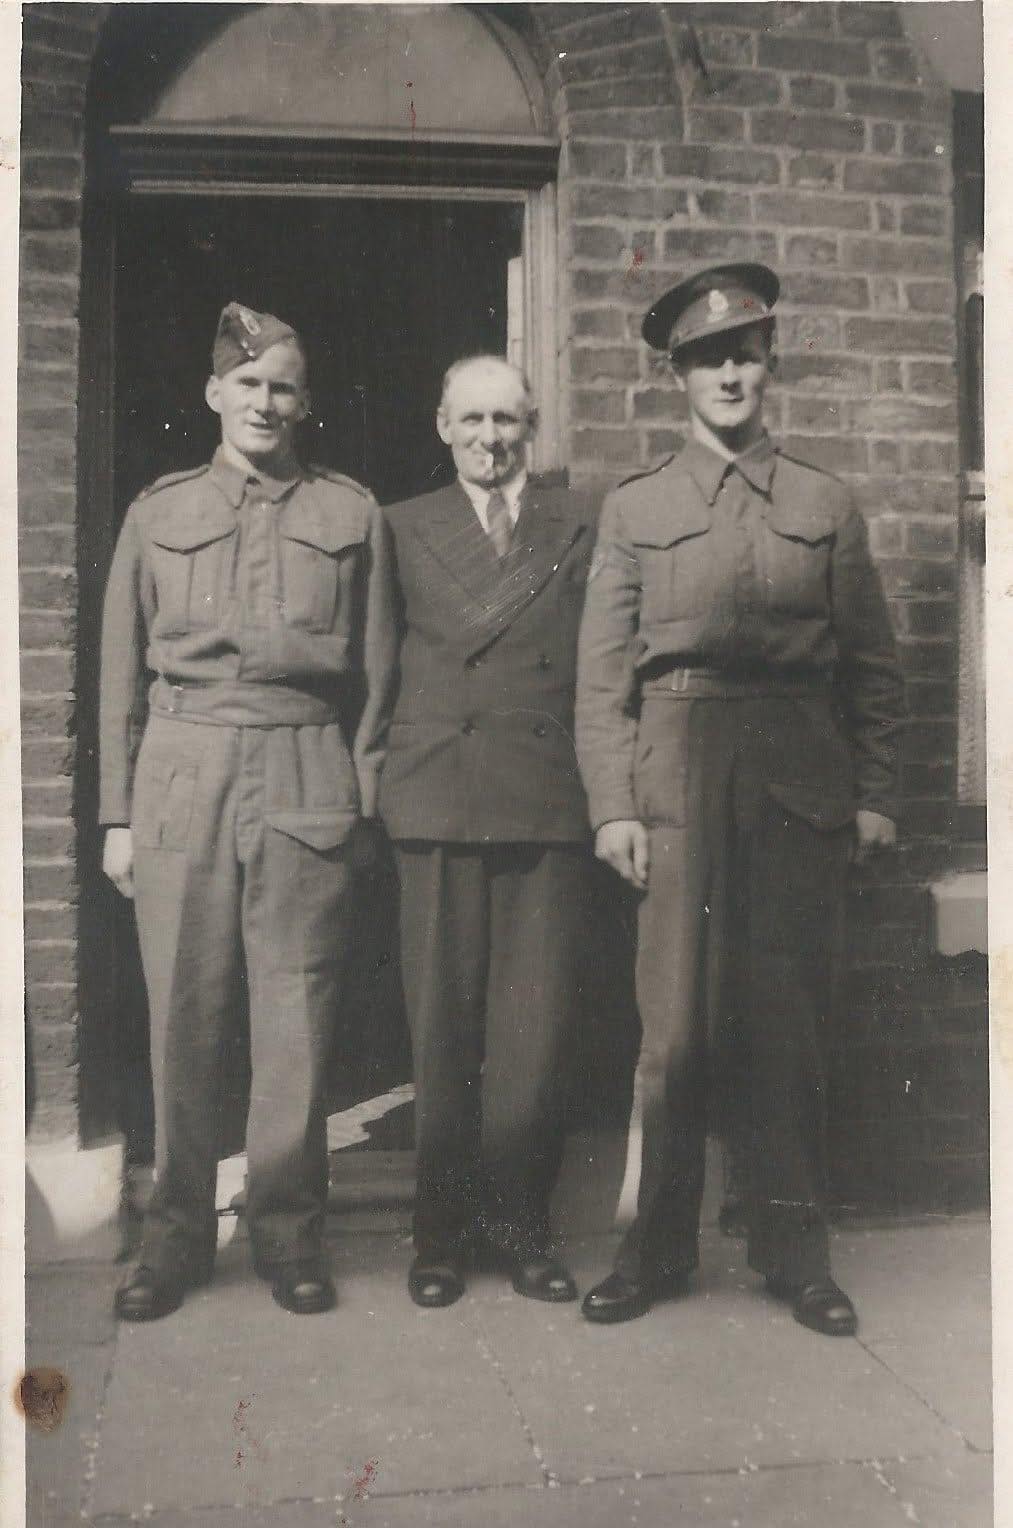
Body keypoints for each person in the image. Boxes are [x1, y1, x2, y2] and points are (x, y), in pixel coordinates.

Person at [575, 264, 905, 1336]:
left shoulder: (822, 502)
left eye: (744, 352)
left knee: (786, 1028)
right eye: (706, 357)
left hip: (797, 783)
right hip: (675, 775)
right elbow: (602, 677)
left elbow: (871, 668)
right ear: (678, 375)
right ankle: (656, 1248)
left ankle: (790, 1251)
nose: (728, 372)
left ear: (769, 366)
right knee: (670, 1033)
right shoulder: (637, 508)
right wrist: (612, 806)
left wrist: (872, 795)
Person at [100, 303, 395, 1320]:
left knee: (296, 1017)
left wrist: (360, 801)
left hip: (306, 764)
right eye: (249, 382)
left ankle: (287, 1233)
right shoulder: (157, 512)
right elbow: (116, 679)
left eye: (283, 385)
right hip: (182, 771)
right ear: (214, 392)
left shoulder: (351, 515)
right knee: (183, 1016)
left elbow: (380, 676)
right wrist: (115, 816)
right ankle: (175, 1238)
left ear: (302, 401)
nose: (266, 401)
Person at [379, 355, 598, 1309]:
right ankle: (439, 1236)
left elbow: (599, 668)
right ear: (441, 424)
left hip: (545, 797)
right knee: (440, 1033)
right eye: (470, 419)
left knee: (533, 1032)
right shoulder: (400, 527)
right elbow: (376, 670)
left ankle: (520, 1228)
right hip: (435, 800)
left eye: (506, 419)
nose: (489, 437)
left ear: (532, 425)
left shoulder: (579, 523)